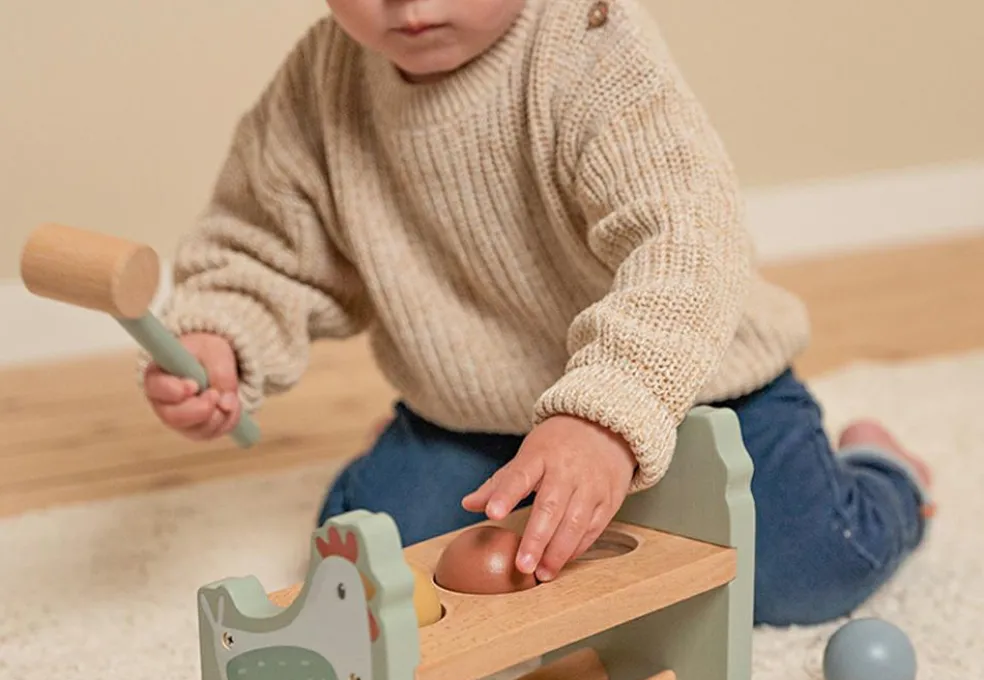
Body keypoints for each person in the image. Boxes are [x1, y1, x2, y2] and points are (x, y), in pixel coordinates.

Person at [140, 0, 933, 626]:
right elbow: (263, 244)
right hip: (475, 414)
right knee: (365, 573)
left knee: (813, 564)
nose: (407, 2)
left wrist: (605, 415)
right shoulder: (321, 84)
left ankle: (884, 469)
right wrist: (220, 335)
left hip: (690, 384)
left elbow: (688, 240)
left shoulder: (590, 44)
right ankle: (407, 446)